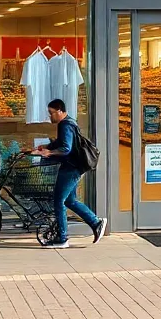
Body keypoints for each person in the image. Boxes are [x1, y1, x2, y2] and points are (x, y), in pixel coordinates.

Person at [33, 98, 107, 248]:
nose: (50, 117)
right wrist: (47, 146)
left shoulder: (65, 125)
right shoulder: (69, 122)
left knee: (58, 200)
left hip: (70, 168)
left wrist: (50, 152)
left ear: (60, 111)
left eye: (51, 113)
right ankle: (95, 222)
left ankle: (62, 237)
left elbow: (66, 148)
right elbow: (63, 142)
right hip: (74, 167)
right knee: (70, 200)